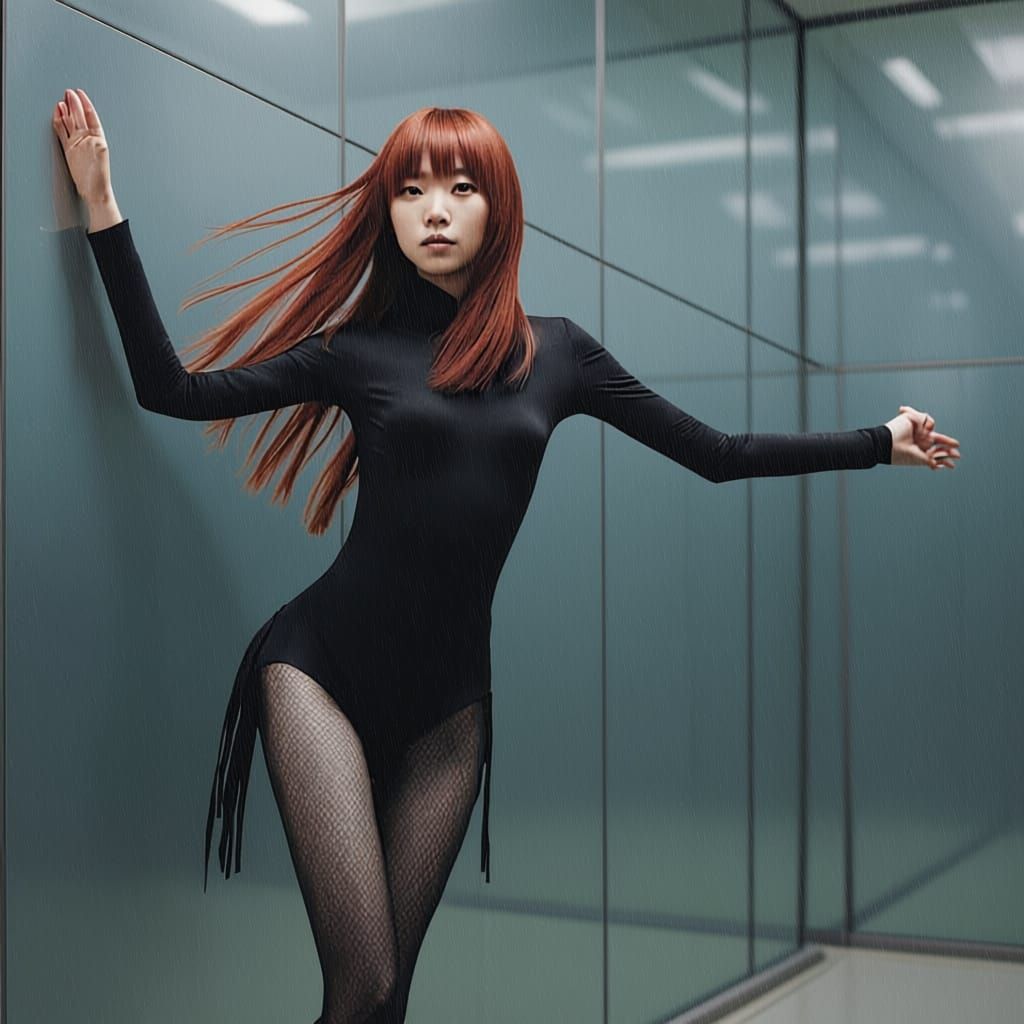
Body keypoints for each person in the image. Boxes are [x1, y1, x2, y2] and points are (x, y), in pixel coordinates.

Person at [51, 87, 961, 1024]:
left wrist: (877, 441)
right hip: (318, 675)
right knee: (359, 982)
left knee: (390, 996)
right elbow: (174, 391)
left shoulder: (558, 354)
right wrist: (102, 210)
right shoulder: (355, 351)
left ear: (498, 208)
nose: (434, 210)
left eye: (457, 187)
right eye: (409, 191)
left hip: (450, 713)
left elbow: (716, 456)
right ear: (387, 213)